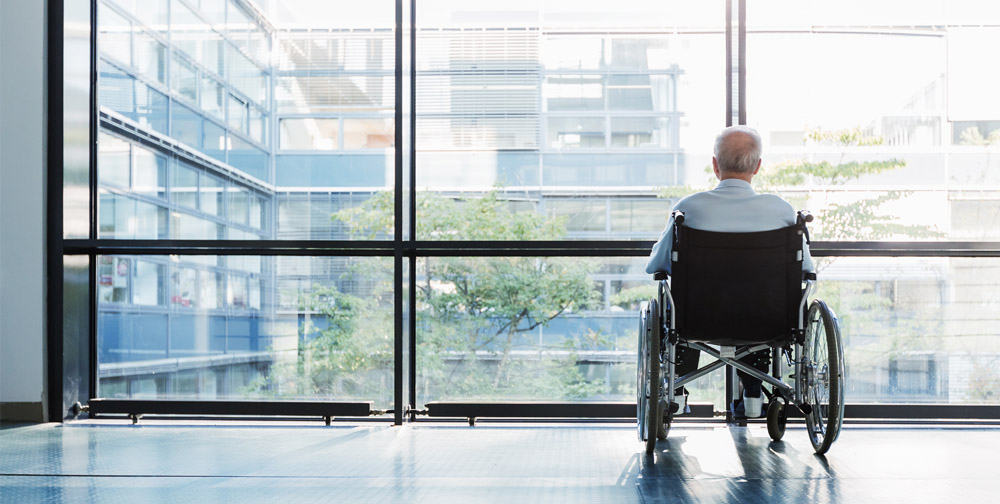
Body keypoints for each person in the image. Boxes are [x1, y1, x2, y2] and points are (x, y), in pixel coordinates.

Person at [645, 125, 814, 418]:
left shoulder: (688, 210)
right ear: (758, 167)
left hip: (697, 322)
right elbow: (807, 271)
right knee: (760, 302)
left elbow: (656, 267)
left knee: (675, 304)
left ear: (714, 165)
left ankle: (676, 390)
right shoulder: (782, 211)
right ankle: (753, 395)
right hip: (769, 323)